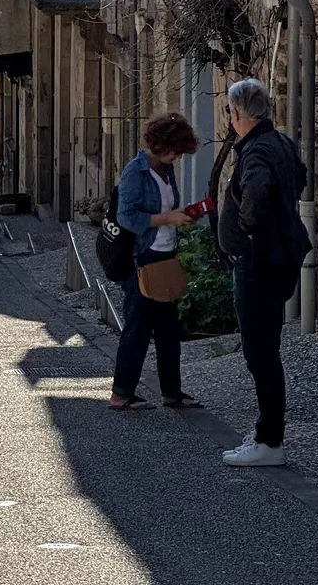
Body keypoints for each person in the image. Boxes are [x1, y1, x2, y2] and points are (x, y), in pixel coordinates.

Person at [217, 77, 310, 467]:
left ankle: (270, 442)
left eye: (229, 111)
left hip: (260, 264)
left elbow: (256, 192)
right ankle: (265, 434)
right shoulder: (281, 142)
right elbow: (301, 176)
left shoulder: (256, 151)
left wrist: (248, 229)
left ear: (238, 113)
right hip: (278, 259)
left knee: (261, 354)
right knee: (264, 350)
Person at [109, 112, 202, 412]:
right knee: (137, 327)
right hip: (143, 257)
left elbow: (166, 206)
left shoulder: (165, 169)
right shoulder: (135, 172)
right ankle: (121, 394)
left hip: (165, 255)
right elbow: (126, 216)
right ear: (162, 144)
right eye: (175, 150)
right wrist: (165, 219)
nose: (177, 156)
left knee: (168, 329)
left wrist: (182, 216)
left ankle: (171, 393)